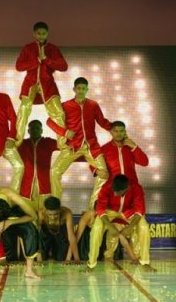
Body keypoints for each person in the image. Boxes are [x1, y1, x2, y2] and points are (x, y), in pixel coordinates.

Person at [48, 77, 111, 209]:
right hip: (72, 147)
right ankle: (55, 205)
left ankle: (93, 207)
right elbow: (50, 121)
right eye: (79, 88)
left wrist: (116, 129)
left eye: (83, 88)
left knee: (104, 173)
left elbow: (103, 122)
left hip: (91, 146)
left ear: (87, 89)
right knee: (54, 171)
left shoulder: (93, 105)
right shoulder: (65, 106)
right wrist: (65, 133)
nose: (81, 91)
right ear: (74, 89)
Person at [86, 175, 154, 272]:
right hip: (109, 212)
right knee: (96, 228)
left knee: (143, 227)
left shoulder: (136, 188)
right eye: (113, 190)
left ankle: (145, 262)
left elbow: (140, 210)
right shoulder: (106, 187)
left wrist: (130, 227)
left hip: (129, 211)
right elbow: (100, 209)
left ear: (127, 188)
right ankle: (91, 264)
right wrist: (110, 226)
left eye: (117, 191)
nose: (114, 193)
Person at [15, 21, 68, 147]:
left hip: (48, 85)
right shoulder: (28, 48)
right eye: (38, 33)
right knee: (23, 110)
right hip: (30, 84)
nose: (41, 36)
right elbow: (19, 66)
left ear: (47, 33)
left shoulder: (53, 49)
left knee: (59, 112)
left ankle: (63, 143)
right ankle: (17, 140)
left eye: (43, 33)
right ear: (34, 34)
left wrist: (46, 60)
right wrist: (37, 60)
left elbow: (63, 66)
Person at [18, 120, 58, 211]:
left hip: (44, 182)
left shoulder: (48, 142)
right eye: (32, 129)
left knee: (45, 210)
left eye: (37, 128)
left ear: (41, 130)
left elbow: (64, 145)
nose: (35, 130)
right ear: (28, 131)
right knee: (28, 211)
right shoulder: (22, 144)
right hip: (27, 183)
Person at [100, 120, 149, 187]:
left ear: (125, 132)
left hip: (131, 186)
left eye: (121, 131)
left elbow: (144, 162)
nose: (118, 134)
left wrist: (134, 147)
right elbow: (94, 162)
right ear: (111, 132)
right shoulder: (104, 149)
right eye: (116, 131)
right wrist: (97, 171)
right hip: (112, 188)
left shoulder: (131, 147)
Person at [37, 196, 80, 263]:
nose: (53, 217)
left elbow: (71, 237)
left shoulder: (67, 213)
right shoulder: (41, 213)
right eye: (50, 215)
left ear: (59, 210)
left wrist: (73, 259)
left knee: (61, 258)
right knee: (42, 257)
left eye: (56, 214)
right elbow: (37, 235)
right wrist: (38, 256)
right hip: (46, 232)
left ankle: (55, 251)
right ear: (46, 210)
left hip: (60, 232)